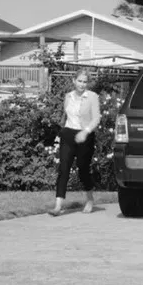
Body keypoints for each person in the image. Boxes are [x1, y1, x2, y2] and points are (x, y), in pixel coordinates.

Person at [50, 71, 101, 216]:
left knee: (82, 169)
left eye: (85, 82)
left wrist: (85, 132)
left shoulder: (92, 97)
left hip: (85, 135)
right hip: (68, 134)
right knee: (63, 168)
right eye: (79, 81)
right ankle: (58, 205)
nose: (82, 84)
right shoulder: (68, 96)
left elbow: (96, 118)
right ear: (74, 81)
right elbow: (66, 116)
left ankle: (90, 199)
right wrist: (63, 131)